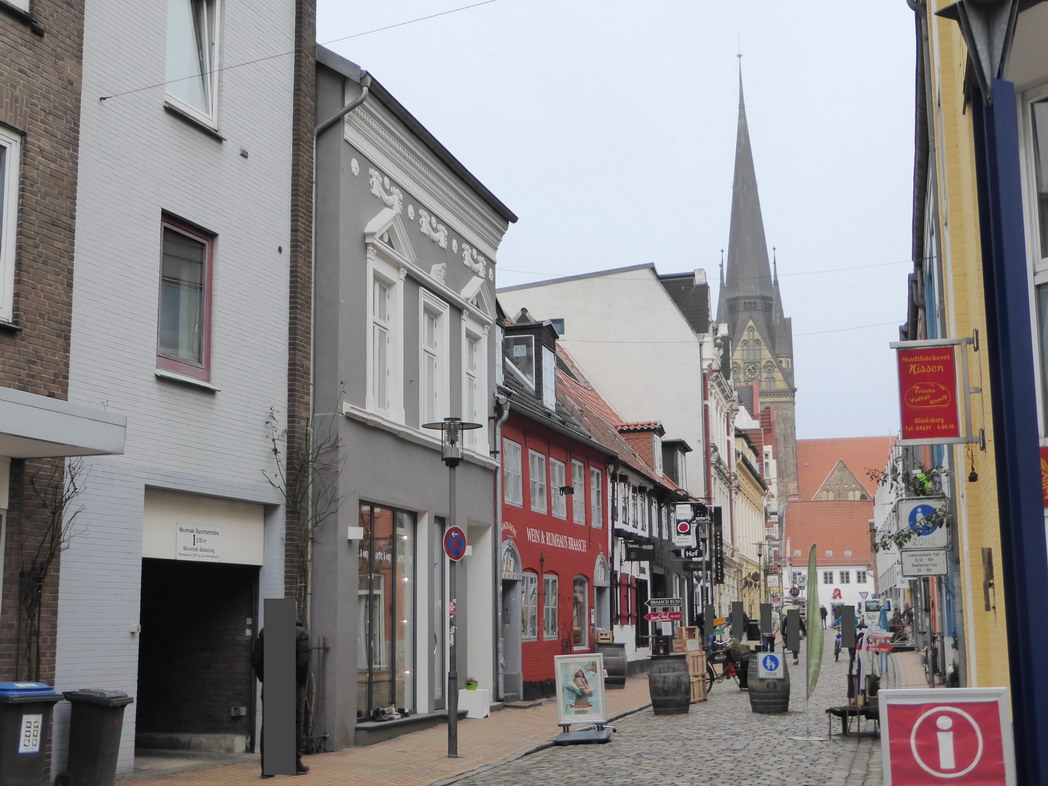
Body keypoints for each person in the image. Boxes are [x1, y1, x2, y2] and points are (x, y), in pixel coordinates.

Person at [252, 618, 311, 777]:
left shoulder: (265, 632)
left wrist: (265, 678)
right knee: (294, 723)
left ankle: (267, 770)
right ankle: (294, 764)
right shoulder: (300, 633)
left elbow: (257, 660)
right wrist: (299, 682)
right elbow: (303, 662)